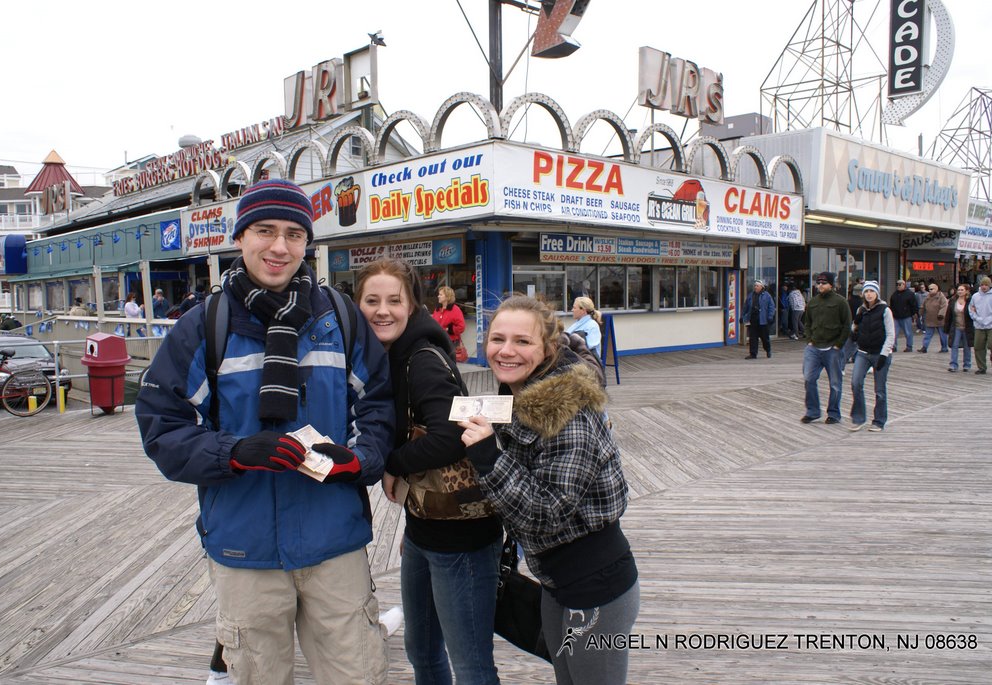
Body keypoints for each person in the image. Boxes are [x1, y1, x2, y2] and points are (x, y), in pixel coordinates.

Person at [135, 179, 395, 685]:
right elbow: (161, 426)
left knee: (357, 676)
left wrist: (360, 459)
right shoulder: (202, 325)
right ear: (240, 237)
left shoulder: (339, 318)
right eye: (265, 230)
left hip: (334, 542)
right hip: (243, 548)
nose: (280, 247)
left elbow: (379, 405)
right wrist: (233, 452)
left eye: (295, 234)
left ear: (307, 244)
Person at [458, 295, 639, 685]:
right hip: (557, 583)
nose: (506, 351)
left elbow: (547, 512)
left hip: (597, 584)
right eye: (497, 339)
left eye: (522, 342)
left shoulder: (567, 411)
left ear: (548, 349)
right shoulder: (517, 394)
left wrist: (489, 456)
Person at [357, 259, 502, 685]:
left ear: (412, 305)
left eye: (394, 300)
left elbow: (449, 438)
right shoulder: (394, 355)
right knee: (421, 649)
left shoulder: (420, 358)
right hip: (425, 529)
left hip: (462, 539)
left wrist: (392, 465)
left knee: (471, 665)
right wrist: (412, 516)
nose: (382, 310)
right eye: (371, 300)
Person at [801, 271, 852, 424]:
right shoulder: (813, 302)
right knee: (809, 379)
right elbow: (807, 323)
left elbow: (847, 325)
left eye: (823, 283)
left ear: (831, 284)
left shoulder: (841, 302)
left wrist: (839, 344)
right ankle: (813, 411)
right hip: (814, 347)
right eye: (818, 283)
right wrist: (809, 339)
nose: (820, 285)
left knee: (835, 383)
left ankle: (834, 413)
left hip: (833, 349)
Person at [848, 281, 894, 432]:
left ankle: (879, 421)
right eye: (866, 291)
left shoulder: (885, 310)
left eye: (871, 291)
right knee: (856, 383)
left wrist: (884, 354)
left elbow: (890, 334)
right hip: (862, 352)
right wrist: (854, 331)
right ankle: (859, 418)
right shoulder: (861, 309)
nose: (869, 294)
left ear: (877, 293)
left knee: (879, 389)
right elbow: (854, 327)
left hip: (880, 353)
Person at [944, 283, 974, 372]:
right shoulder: (953, 301)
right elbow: (948, 315)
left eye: (962, 290)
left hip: (967, 327)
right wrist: (947, 327)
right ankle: (953, 364)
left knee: (967, 346)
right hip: (956, 326)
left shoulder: (970, 301)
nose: (960, 291)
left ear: (967, 291)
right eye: (959, 290)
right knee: (954, 345)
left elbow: (973, 314)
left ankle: (967, 364)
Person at [741, 280, 775, 359]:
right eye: (755, 286)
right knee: (753, 338)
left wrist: (770, 316)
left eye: (757, 286)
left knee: (765, 338)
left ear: (761, 287)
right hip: (753, 319)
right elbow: (745, 307)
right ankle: (753, 354)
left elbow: (771, 307)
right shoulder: (750, 295)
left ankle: (768, 350)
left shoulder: (767, 296)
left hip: (763, 320)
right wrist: (742, 316)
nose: (755, 287)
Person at [969, 276, 992, 375]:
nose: (984, 287)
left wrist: (988, 320)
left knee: (991, 345)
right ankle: (982, 367)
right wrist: (977, 319)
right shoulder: (975, 296)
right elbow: (971, 309)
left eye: (986, 285)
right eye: (982, 285)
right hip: (979, 325)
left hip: (991, 325)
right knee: (978, 347)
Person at [888, 279, 918, 352]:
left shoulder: (910, 294)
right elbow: (891, 305)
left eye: (900, 284)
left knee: (908, 332)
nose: (898, 286)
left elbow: (914, 305)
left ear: (904, 285)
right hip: (896, 316)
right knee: (894, 333)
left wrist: (914, 313)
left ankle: (909, 346)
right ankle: (894, 346)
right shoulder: (894, 294)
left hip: (906, 316)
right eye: (897, 284)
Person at [919, 283, 949, 353]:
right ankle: (924, 347)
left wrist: (941, 314)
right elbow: (923, 306)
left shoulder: (941, 297)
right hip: (930, 319)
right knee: (927, 335)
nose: (930, 290)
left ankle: (944, 348)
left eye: (931, 289)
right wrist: (919, 313)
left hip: (940, 319)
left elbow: (944, 306)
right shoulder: (927, 297)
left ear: (936, 289)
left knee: (942, 335)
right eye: (929, 289)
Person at [843, 284, 864, 365]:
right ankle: (847, 359)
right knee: (854, 343)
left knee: (850, 343)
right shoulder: (861, 303)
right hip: (856, 323)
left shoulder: (848, 301)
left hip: (848, 322)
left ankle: (853, 357)